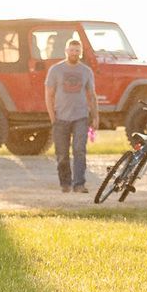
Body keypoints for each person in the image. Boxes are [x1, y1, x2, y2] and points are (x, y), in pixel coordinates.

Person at [44, 38, 98, 194]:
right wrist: (52, 117)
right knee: (62, 154)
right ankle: (65, 183)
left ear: (80, 53)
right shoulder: (56, 70)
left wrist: (95, 116)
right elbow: (49, 94)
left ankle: (79, 184)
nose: (74, 53)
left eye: (77, 51)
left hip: (81, 116)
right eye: (71, 50)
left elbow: (92, 95)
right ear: (66, 51)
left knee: (79, 150)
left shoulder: (86, 71)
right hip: (60, 117)